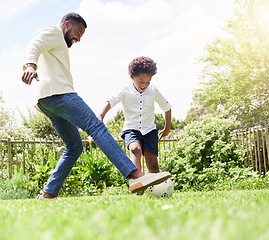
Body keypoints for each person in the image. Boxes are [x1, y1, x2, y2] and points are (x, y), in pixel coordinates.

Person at [21, 13, 170, 199]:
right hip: (60, 94)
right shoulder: (54, 32)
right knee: (96, 127)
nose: (79, 38)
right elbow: (34, 45)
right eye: (78, 32)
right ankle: (134, 175)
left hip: (46, 101)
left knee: (74, 147)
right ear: (66, 25)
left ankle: (49, 193)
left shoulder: (58, 44)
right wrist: (30, 66)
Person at [99, 56, 172, 173]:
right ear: (132, 77)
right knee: (135, 149)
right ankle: (137, 181)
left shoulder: (153, 90)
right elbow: (110, 101)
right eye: (141, 81)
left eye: (148, 82)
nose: (144, 85)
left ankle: (157, 187)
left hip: (149, 130)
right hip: (131, 129)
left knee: (152, 163)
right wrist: (101, 116)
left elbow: (167, 107)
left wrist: (167, 128)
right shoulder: (125, 91)